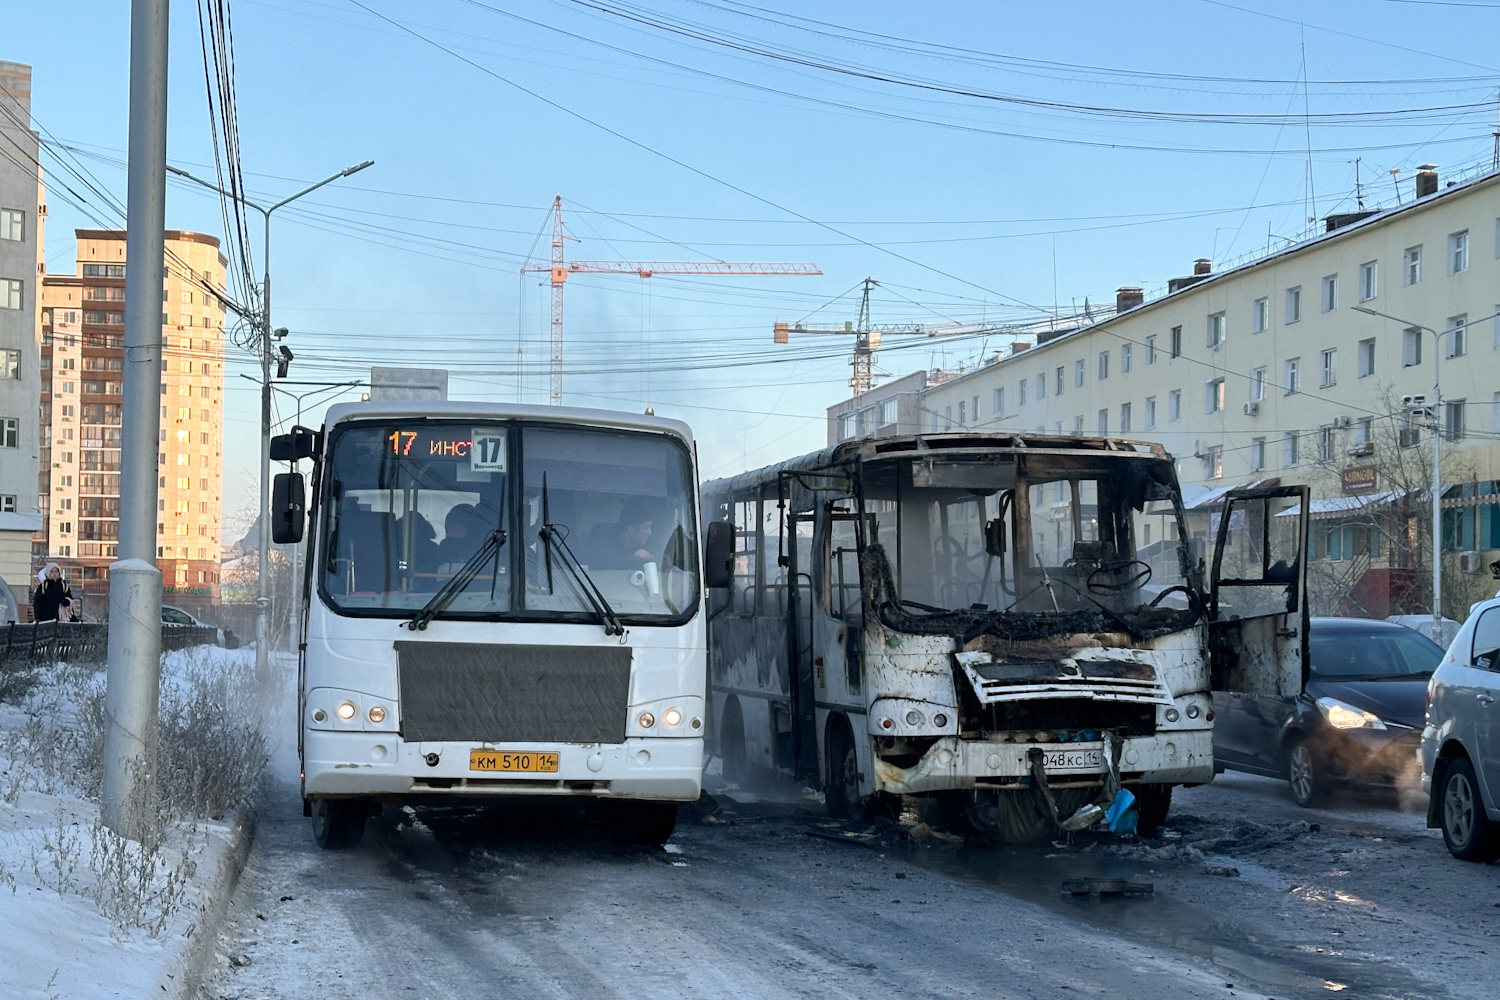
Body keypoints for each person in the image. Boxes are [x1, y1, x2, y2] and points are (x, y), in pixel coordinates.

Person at [586, 498, 657, 570]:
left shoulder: (649, 547)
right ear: (631, 530)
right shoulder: (604, 547)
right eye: (646, 528)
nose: (650, 533)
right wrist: (632, 557)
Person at [435, 503, 487, 568]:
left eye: (461, 529)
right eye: (453, 529)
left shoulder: (482, 549)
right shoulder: (443, 547)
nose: (456, 533)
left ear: (471, 530)